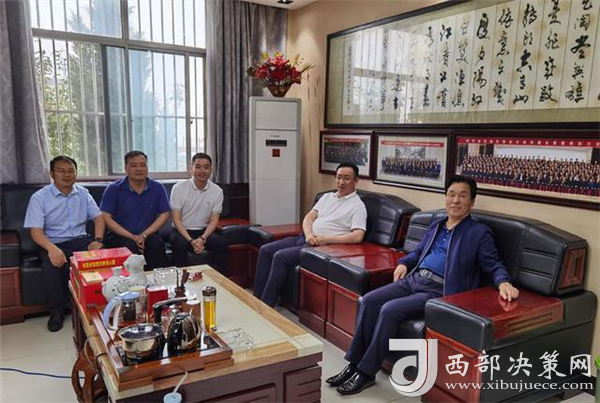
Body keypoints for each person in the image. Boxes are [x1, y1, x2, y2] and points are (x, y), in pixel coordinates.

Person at [327, 175, 520, 395]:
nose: (455, 200)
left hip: (439, 290)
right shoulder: (437, 225)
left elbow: (493, 263)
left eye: (462, 196)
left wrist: (503, 282)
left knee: (390, 310)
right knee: (369, 300)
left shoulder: (479, 233)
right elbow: (418, 252)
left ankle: (366, 372)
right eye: (451, 194)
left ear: (472, 202)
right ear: (446, 197)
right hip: (414, 279)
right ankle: (353, 364)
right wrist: (403, 263)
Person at [254, 163, 368, 307]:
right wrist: (308, 234)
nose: (341, 182)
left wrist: (327, 239)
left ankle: (265, 305)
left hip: (323, 247)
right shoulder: (327, 197)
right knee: (266, 250)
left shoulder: (357, 206)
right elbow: (309, 217)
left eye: (346, 178)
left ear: (356, 180)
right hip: (305, 238)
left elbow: (358, 236)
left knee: (280, 256)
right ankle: (256, 299)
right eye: (339, 177)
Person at [24, 156, 105, 332]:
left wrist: (98, 240)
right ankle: (57, 312)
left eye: (70, 171)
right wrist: (51, 249)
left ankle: (99, 306)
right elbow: (36, 232)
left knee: (102, 257)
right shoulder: (40, 197)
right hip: (52, 242)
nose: (67, 175)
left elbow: (98, 218)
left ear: (76, 173)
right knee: (52, 265)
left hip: (81, 240)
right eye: (61, 171)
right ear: (52, 174)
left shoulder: (83, 193)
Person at [100, 151, 169, 270]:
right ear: (126, 168)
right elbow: (105, 217)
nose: (139, 169)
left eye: (143, 165)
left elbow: (164, 214)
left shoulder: (157, 187)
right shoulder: (113, 189)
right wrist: (132, 236)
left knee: (156, 243)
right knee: (129, 246)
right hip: (120, 235)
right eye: (133, 165)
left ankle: (156, 280)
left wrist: (143, 235)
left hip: (148, 234)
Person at [169, 153, 229, 273]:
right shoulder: (179, 188)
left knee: (221, 243)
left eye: (206, 167)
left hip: (204, 232)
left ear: (211, 170)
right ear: (191, 169)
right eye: (198, 167)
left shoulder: (217, 191)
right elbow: (176, 219)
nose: (202, 171)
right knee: (180, 244)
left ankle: (220, 279)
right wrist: (191, 240)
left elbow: (214, 220)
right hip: (181, 231)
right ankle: (182, 281)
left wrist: (202, 238)